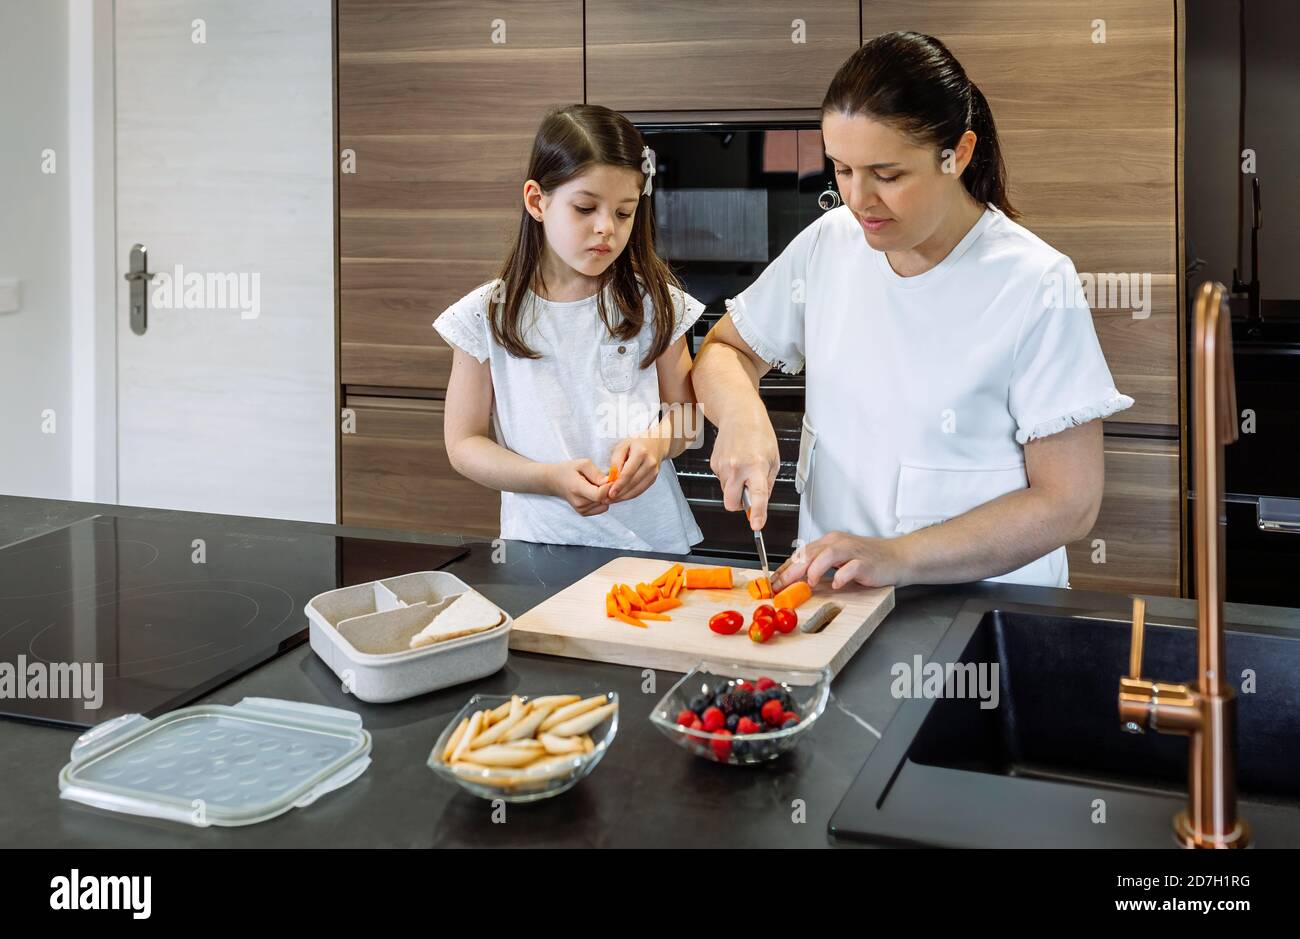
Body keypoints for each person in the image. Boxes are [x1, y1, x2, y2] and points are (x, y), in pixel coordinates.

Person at [692, 32, 1134, 590]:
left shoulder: (1035, 282)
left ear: (959, 154)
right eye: (842, 169)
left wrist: (898, 556)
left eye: (888, 174)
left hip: (982, 614)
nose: (858, 198)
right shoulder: (828, 244)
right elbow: (725, 350)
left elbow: (1068, 502)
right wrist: (739, 415)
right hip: (836, 607)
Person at [435, 104, 705, 553]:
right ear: (537, 201)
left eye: (624, 213)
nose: (606, 229)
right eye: (585, 208)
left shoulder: (656, 303)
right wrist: (547, 478)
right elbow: (463, 444)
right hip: (540, 545)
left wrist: (657, 444)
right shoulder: (486, 315)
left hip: (653, 545)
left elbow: (689, 418)